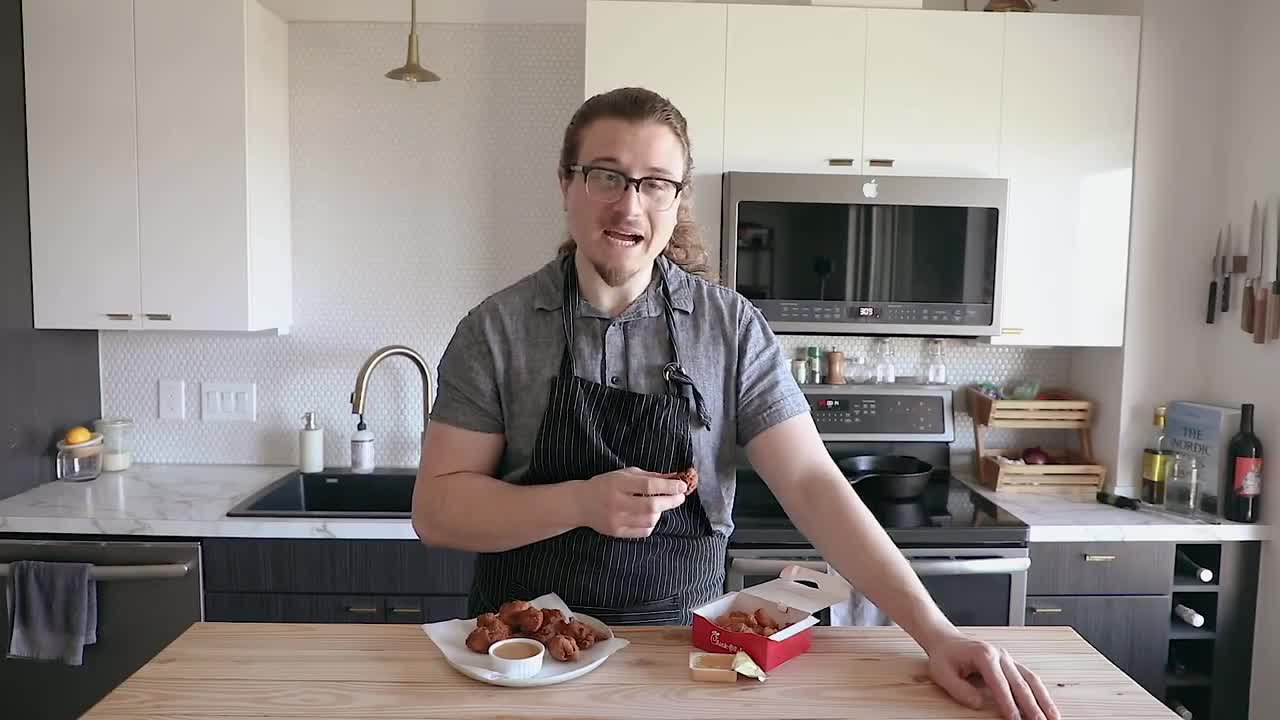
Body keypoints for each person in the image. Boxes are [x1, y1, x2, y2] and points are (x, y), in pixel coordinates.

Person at [414, 87, 1057, 720]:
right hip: (520, 661)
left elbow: (811, 483)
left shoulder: (731, 329)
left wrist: (937, 633)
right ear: (566, 183)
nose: (629, 204)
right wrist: (579, 501)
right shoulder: (495, 330)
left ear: (676, 198)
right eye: (606, 176)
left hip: (684, 662)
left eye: (655, 182)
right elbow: (438, 512)